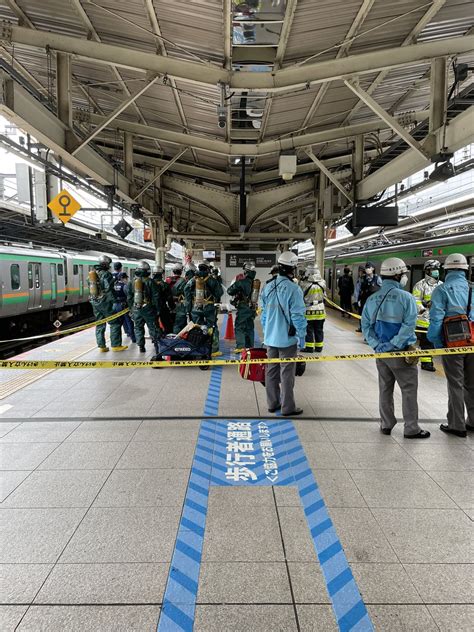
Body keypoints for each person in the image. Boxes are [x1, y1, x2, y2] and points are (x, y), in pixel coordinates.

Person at [362, 257, 430, 439]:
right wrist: (396, 344)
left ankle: (386, 424)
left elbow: (366, 326)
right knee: (408, 390)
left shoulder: (372, 298)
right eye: (404, 274)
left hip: (381, 353)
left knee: (385, 388)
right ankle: (411, 428)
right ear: (397, 275)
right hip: (401, 352)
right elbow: (409, 325)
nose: (405, 277)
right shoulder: (406, 298)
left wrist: (377, 345)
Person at [428, 253, 474, 438]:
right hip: (473, 343)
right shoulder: (473, 289)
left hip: (452, 342)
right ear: (465, 270)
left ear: (446, 270)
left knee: (455, 383)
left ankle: (457, 425)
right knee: (472, 385)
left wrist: (437, 342)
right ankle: (473, 421)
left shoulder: (442, 290)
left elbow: (436, 319)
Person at [259, 251, 307, 416]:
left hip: (270, 338)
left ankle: (272, 404)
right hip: (287, 339)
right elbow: (298, 316)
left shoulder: (268, 286)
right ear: (292, 268)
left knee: (271, 370)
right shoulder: (294, 289)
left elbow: (264, 314)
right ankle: (288, 407)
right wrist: (302, 335)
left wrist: (267, 332)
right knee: (287, 373)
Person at [88, 254, 127, 352]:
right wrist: (114, 300)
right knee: (115, 322)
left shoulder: (92, 274)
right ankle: (116, 345)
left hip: (95, 302)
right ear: (106, 264)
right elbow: (109, 289)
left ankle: (101, 346)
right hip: (105, 302)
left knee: (100, 323)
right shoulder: (106, 274)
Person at [185, 261, 223, 354]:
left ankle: (198, 348)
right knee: (212, 326)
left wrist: (188, 308)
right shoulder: (212, 280)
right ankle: (214, 349)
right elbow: (219, 293)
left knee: (197, 327)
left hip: (196, 307)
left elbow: (186, 291)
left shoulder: (193, 280)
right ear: (207, 269)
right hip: (209, 306)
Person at [412, 260, 443, 372]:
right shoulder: (420, 285)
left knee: (435, 343)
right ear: (427, 270)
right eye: (433, 269)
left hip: (438, 319)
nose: (436, 272)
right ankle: (426, 363)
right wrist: (424, 307)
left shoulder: (441, 285)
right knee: (426, 343)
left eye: (437, 269)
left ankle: (430, 360)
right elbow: (415, 300)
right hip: (424, 320)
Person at [128, 260, 161, 354]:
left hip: (136, 308)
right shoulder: (151, 282)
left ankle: (141, 346)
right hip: (148, 309)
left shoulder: (131, 282)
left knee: (138, 327)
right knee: (153, 327)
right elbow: (156, 297)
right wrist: (157, 309)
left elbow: (129, 297)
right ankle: (156, 345)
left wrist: (131, 309)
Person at [227, 261, 258, 352]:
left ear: (246, 271)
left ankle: (240, 347)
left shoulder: (241, 282)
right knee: (249, 327)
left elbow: (229, 291)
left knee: (239, 326)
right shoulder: (255, 283)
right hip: (252, 307)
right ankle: (250, 347)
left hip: (243, 307)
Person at [299, 264, 326, 353]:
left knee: (309, 330)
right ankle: (319, 347)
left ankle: (309, 348)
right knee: (319, 329)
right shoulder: (323, 282)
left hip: (309, 310)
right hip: (321, 310)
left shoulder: (304, 284)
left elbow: (300, 295)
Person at [356, 261, 382, 332]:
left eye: (369, 268)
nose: (367, 269)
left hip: (374, 302)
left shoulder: (377, 279)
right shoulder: (363, 278)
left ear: (373, 269)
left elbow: (381, 289)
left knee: (373, 318)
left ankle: (373, 332)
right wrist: (358, 300)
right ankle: (366, 332)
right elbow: (360, 290)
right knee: (364, 317)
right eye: (366, 268)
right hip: (364, 301)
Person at [114, 272, 136, 343]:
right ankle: (133, 338)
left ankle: (116, 341)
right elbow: (128, 296)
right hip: (124, 305)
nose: (127, 279)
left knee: (118, 324)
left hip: (116, 305)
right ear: (123, 278)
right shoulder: (124, 286)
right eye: (126, 278)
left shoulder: (114, 285)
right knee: (129, 322)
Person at [153, 266, 175, 334]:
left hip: (152, 308)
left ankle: (156, 339)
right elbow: (169, 298)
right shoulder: (165, 285)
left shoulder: (150, 283)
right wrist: (172, 307)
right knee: (168, 324)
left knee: (154, 325)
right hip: (163, 307)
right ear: (161, 274)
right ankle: (167, 338)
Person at [173, 268, 195, 334]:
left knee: (178, 324)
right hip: (192, 306)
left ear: (186, 276)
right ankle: (190, 339)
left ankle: (176, 339)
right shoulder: (195, 282)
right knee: (192, 324)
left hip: (181, 306)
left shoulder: (180, 281)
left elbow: (173, 292)